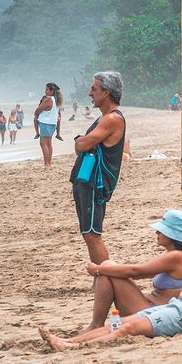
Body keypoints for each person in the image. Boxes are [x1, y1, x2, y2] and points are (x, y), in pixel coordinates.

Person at [39, 203, 182, 350]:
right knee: (118, 323)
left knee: (127, 328)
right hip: (178, 307)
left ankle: (75, 348)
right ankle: (70, 342)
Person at [77, 209, 182, 333]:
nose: (156, 233)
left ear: (172, 235)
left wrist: (98, 268)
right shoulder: (174, 253)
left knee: (106, 267)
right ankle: (96, 324)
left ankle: (96, 325)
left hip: (156, 314)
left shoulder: (177, 256)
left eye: (161, 231)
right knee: (107, 269)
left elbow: (137, 272)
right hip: (151, 307)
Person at [69, 72, 126, 264]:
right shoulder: (104, 118)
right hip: (88, 180)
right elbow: (84, 145)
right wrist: (83, 142)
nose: (89, 93)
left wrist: (81, 141)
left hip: (95, 183)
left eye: (94, 89)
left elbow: (81, 146)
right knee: (88, 234)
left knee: (93, 235)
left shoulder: (112, 119)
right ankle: (102, 279)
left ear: (106, 92)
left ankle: (105, 278)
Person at [34, 82, 61, 167]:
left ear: (51, 91)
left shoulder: (48, 99)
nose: (45, 91)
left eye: (47, 89)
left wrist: (37, 113)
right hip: (53, 124)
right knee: (49, 143)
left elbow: (37, 111)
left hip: (45, 123)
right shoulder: (56, 100)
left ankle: (47, 163)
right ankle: (49, 162)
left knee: (43, 144)